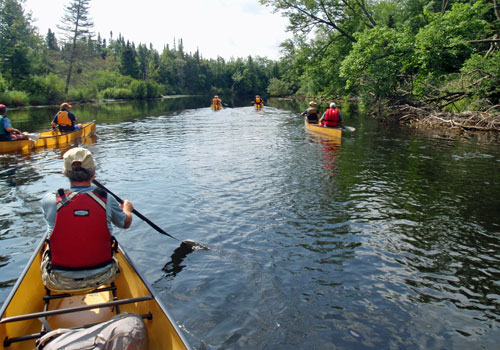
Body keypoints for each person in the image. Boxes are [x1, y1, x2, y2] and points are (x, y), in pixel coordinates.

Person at [41, 147, 135, 291]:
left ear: (65, 172)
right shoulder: (106, 199)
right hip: (104, 274)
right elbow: (125, 223)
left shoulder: (49, 200)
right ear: (93, 172)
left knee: (47, 242)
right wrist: (127, 210)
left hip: (58, 279)